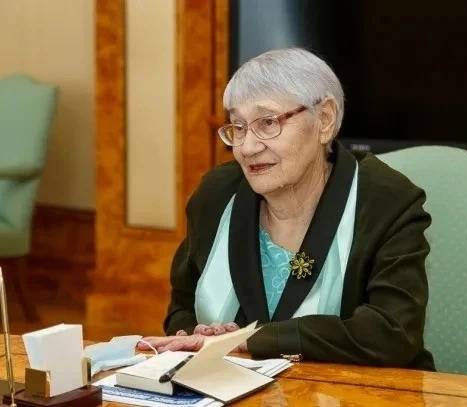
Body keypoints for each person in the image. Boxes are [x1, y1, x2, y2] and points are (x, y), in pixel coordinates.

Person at [137, 48, 435, 370]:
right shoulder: (217, 194)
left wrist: (251, 340)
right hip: (231, 386)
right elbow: (182, 305)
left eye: (267, 123)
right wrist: (197, 335)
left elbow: (393, 334)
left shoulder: (386, 202)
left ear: (325, 120)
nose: (247, 147)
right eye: (238, 127)